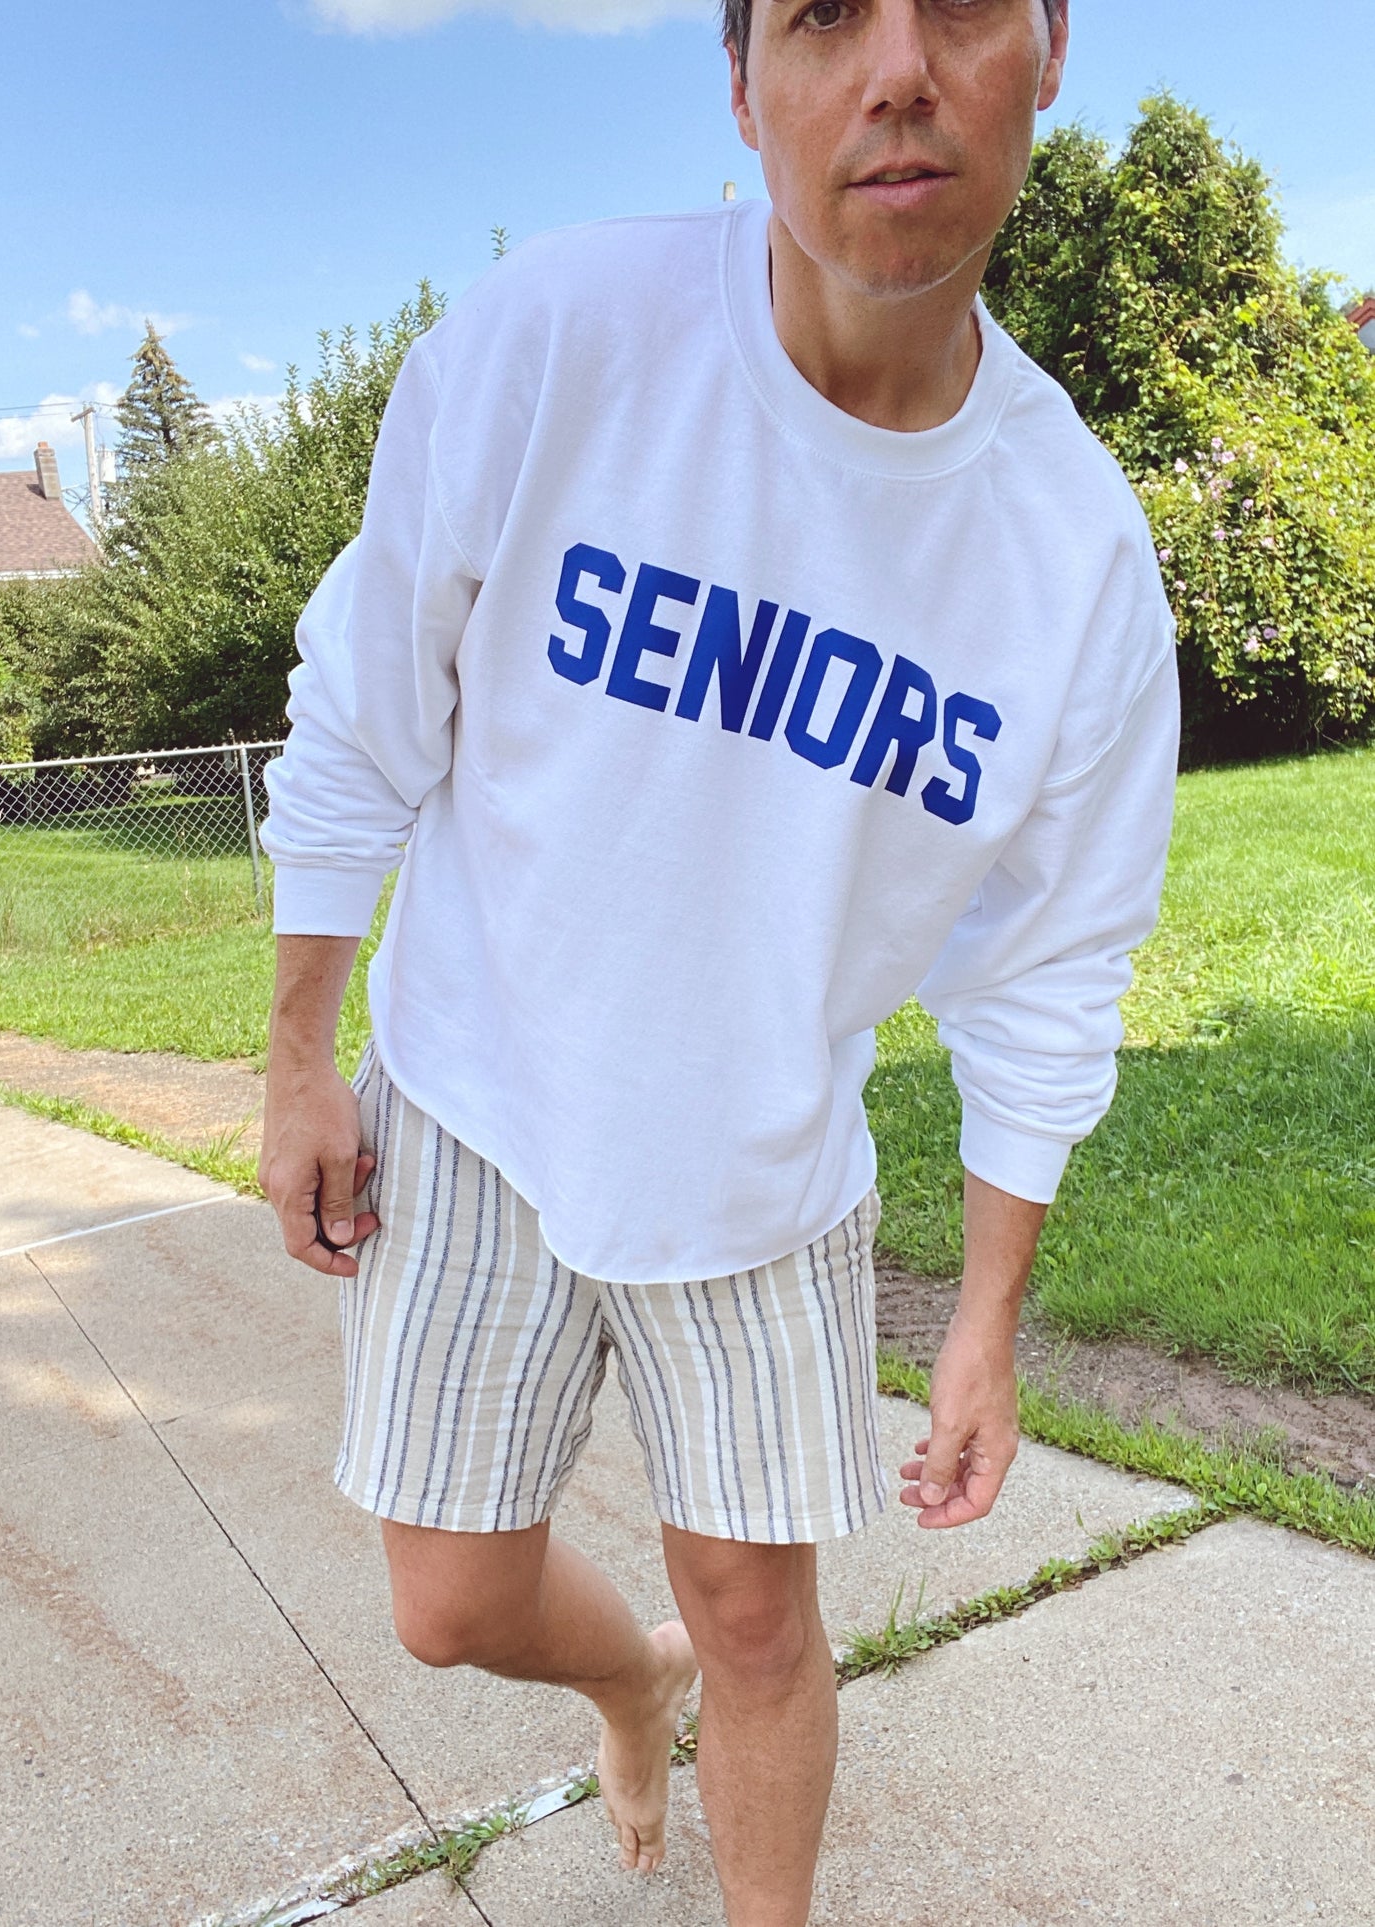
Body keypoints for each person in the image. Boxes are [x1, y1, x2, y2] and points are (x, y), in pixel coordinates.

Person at [257, 1, 1179, 1919]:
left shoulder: (1074, 556)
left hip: (759, 1168)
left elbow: (1048, 970)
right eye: (824, 14)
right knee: (447, 1607)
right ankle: (628, 1681)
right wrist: (298, 1057)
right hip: (479, 1091)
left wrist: (986, 1315)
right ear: (744, 86)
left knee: (759, 1621)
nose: (895, 69)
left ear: (1046, 50)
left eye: (957, 7)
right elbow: (365, 708)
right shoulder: (561, 335)